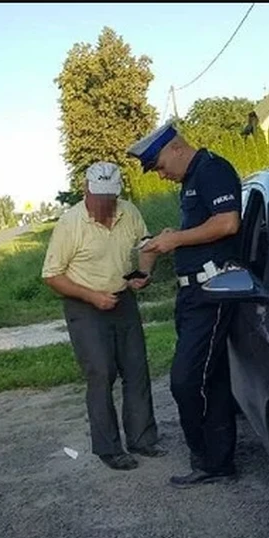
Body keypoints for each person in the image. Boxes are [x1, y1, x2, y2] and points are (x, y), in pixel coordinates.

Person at [127, 121, 242, 488]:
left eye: (159, 165)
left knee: (187, 380)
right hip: (192, 293)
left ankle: (206, 456)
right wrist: (165, 245)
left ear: (176, 147)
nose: (160, 175)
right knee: (211, 377)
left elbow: (227, 224)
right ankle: (217, 460)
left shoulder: (212, 170)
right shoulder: (191, 181)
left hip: (212, 290)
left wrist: (175, 239)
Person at [41, 161, 163, 471]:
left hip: (123, 300)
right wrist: (93, 297)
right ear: (86, 190)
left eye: (111, 197)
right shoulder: (70, 224)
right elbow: (52, 276)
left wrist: (144, 273)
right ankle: (109, 448)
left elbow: (147, 245)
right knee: (101, 373)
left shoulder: (129, 212)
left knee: (136, 369)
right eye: (99, 197)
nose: (105, 204)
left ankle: (142, 439)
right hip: (84, 305)